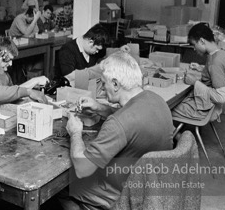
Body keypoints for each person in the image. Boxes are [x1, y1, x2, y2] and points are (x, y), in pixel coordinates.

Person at [60, 51, 174, 209]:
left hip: (123, 195)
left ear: (115, 84)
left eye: (103, 83)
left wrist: (75, 132)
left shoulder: (117, 123)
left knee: (63, 187)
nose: (101, 87)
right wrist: (100, 107)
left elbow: (82, 168)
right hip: (154, 186)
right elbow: (130, 117)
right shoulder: (156, 99)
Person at [172, 22, 225, 121]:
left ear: (201, 41)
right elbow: (220, 73)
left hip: (207, 110)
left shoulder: (215, 62)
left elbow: (221, 96)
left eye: (194, 44)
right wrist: (201, 68)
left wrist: (195, 82)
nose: (194, 48)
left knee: (166, 108)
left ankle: (180, 136)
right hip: (210, 105)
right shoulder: (222, 53)